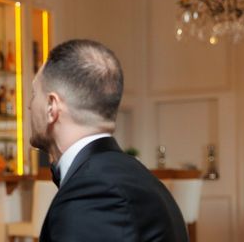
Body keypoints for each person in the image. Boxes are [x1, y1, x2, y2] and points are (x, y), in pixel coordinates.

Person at [29, 39, 188, 242]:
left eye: (34, 94)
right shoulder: (128, 173)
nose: (28, 106)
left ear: (52, 107)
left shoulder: (95, 191)